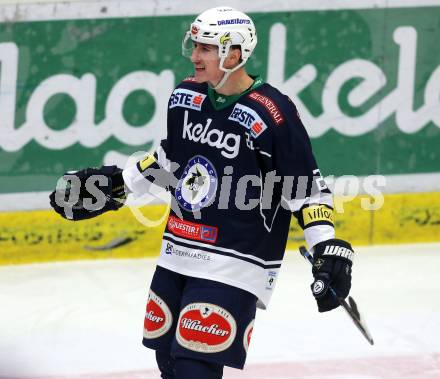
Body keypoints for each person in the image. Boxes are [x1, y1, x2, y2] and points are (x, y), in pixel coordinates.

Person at [50, 6, 354, 379]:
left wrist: (325, 245)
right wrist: (117, 184)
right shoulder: (184, 97)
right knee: (169, 363)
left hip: (236, 261)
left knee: (195, 368)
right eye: (195, 45)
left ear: (236, 53)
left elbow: (305, 188)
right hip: (178, 249)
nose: (195, 56)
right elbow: (169, 161)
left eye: (207, 48)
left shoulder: (273, 112)